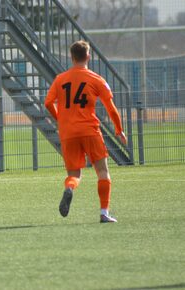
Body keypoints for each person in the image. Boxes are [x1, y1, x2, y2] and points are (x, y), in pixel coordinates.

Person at [44, 40, 127, 223]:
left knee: (74, 175)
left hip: (68, 133)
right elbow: (111, 108)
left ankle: (70, 188)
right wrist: (119, 130)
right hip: (90, 130)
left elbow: (48, 103)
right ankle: (104, 212)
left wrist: (60, 118)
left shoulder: (60, 79)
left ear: (72, 57)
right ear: (88, 56)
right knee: (102, 172)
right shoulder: (96, 79)